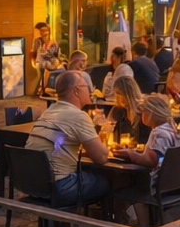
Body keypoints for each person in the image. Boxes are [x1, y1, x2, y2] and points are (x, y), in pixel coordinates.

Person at [23, 70, 113, 207]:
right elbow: (101, 157)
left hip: (33, 184)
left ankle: (71, 223)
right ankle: (104, 225)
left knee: (86, 175)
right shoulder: (78, 116)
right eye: (86, 87)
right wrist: (108, 150)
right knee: (110, 180)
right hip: (60, 186)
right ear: (76, 91)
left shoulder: (49, 111)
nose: (90, 90)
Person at [121, 94, 180, 203]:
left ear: (151, 113)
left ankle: (141, 219)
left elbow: (153, 161)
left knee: (122, 181)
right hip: (178, 181)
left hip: (160, 184)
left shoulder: (159, 133)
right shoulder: (172, 127)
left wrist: (130, 154)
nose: (142, 115)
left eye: (143, 112)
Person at [107, 74, 145, 143]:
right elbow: (108, 128)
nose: (116, 97)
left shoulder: (144, 111)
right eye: (115, 94)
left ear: (128, 93)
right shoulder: (118, 110)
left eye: (119, 93)